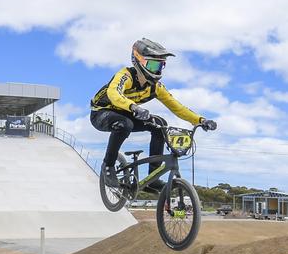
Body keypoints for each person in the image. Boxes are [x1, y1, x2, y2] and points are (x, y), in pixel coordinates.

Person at [90, 38, 217, 192]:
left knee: (159, 124)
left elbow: (177, 107)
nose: (157, 70)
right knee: (125, 124)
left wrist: (200, 120)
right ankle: (108, 166)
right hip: (102, 113)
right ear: (138, 61)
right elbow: (113, 93)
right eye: (153, 65)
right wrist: (133, 107)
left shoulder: (155, 87)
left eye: (161, 65)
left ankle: (153, 178)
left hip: (128, 111)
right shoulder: (126, 75)